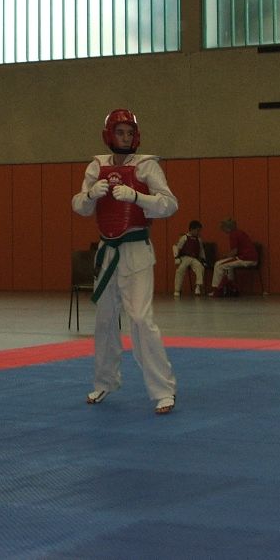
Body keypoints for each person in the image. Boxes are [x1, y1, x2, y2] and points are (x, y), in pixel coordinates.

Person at [72, 108, 179, 415]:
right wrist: (91, 195)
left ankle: (163, 390)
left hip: (136, 250)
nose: (125, 138)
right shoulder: (96, 166)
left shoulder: (146, 166)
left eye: (129, 133)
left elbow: (170, 204)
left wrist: (137, 197)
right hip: (107, 251)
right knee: (105, 320)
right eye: (120, 132)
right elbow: (79, 206)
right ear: (109, 135)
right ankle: (104, 381)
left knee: (142, 320)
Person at [209, 218, 259, 297]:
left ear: (227, 228)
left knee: (218, 265)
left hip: (245, 258)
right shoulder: (240, 232)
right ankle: (231, 288)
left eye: (223, 229)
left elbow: (234, 252)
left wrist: (225, 256)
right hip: (252, 258)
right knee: (228, 267)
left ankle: (216, 290)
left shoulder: (233, 235)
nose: (223, 231)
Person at [172, 220, 208, 297]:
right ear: (192, 229)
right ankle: (177, 290)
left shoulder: (199, 239)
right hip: (184, 258)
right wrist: (177, 258)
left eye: (199, 231)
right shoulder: (184, 238)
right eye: (197, 230)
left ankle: (198, 287)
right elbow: (177, 247)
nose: (199, 232)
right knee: (180, 270)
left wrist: (203, 260)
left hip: (194, 258)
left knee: (200, 267)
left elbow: (201, 250)